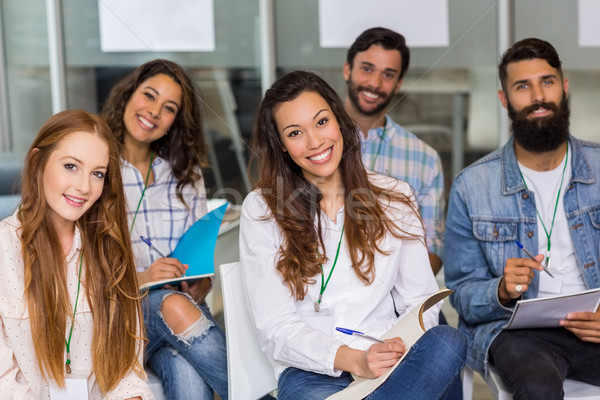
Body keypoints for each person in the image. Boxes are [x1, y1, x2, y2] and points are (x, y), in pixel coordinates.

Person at [240, 70, 466, 400]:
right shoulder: (262, 209)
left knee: (450, 341)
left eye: (321, 122)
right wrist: (352, 359)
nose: (315, 141)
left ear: (339, 121)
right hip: (313, 371)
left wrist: (398, 347)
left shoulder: (394, 197)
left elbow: (419, 301)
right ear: (282, 146)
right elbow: (276, 326)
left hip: (390, 360)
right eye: (295, 133)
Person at [444, 38, 600, 399]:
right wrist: (500, 288)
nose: (538, 96)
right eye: (522, 86)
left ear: (564, 87)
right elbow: (462, 293)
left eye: (547, 81)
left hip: (593, 324)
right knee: (536, 387)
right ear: (504, 100)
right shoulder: (473, 185)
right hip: (519, 334)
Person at [0, 110, 152, 399]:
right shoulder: (3, 249)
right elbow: (3, 383)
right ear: (37, 163)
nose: (84, 186)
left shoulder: (112, 250)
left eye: (97, 174)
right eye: (71, 166)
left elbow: (127, 370)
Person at [101, 59, 227, 400]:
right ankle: (259, 393)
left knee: (186, 369)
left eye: (168, 108)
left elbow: (196, 254)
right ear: (127, 95)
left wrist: (199, 283)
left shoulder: (185, 173)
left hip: (176, 315)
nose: (154, 112)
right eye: (149, 96)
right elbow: (80, 269)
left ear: (175, 122)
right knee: (170, 303)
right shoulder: (96, 166)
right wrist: (143, 277)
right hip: (116, 315)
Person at [343, 27, 445, 275]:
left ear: (398, 84)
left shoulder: (424, 158)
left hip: (397, 300)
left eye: (388, 75)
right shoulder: (315, 143)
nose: (375, 83)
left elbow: (433, 248)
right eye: (367, 69)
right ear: (347, 70)